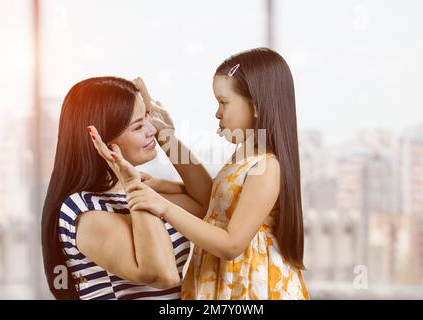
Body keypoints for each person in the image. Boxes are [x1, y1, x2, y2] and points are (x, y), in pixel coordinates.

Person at [101, 48, 310, 300]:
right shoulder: (244, 157)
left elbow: (231, 244)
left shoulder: (267, 167)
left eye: (223, 102)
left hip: (253, 290)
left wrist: (163, 206)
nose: (217, 113)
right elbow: (212, 199)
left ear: (255, 106)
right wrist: (164, 136)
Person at [41, 76, 204, 300]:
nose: (152, 130)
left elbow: (212, 205)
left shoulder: (143, 190)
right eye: (138, 126)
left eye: (147, 116)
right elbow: (163, 275)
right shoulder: (84, 211)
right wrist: (132, 185)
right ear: (103, 142)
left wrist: (169, 138)